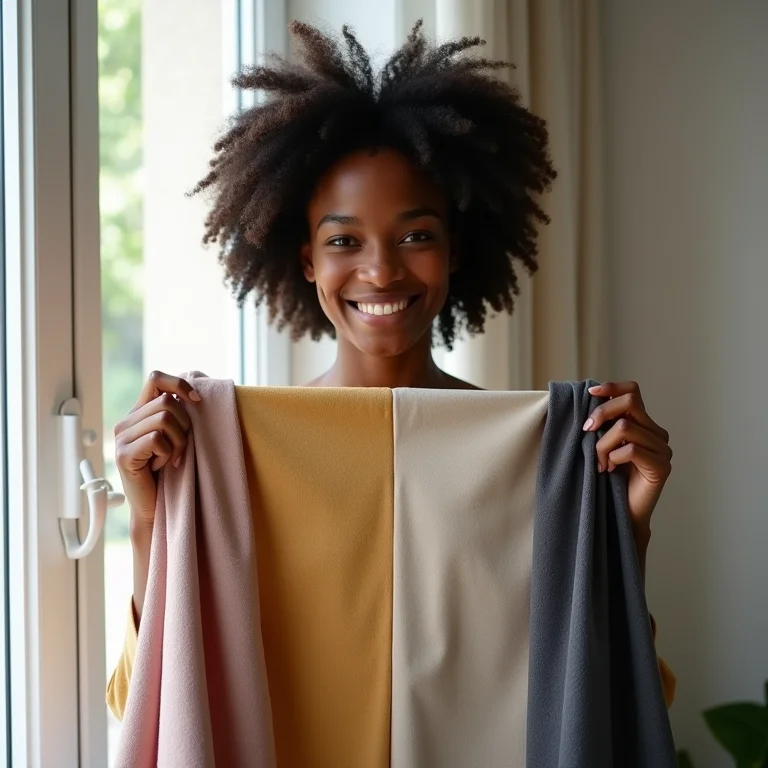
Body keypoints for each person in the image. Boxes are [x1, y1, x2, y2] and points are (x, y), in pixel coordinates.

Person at [108, 19, 675, 716]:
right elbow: (144, 704)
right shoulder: (239, 458)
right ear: (306, 259)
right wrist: (148, 518)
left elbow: (622, 706)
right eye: (344, 239)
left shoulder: (539, 458)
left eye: (415, 235)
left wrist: (629, 525)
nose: (380, 269)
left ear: (457, 249)